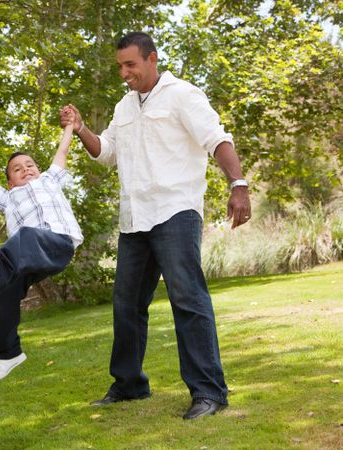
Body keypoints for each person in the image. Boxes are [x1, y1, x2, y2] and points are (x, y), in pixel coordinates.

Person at [60, 32, 251, 419]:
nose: (124, 73)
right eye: (120, 66)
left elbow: (217, 140)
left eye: (130, 64)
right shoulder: (123, 107)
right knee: (127, 305)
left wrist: (239, 184)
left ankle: (209, 392)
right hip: (135, 218)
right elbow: (105, 153)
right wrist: (81, 128)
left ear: (152, 59)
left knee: (188, 299)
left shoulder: (183, 95)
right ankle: (129, 385)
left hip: (175, 211)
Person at [0, 122, 84, 383]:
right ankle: (6, 353)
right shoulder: (8, 198)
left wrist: (69, 127)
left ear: (39, 169)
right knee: (1, 293)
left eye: (29, 165)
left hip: (57, 243)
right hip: (27, 261)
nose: (25, 170)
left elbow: (63, 152)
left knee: (25, 235)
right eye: (17, 170)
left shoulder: (49, 180)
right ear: (9, 183)